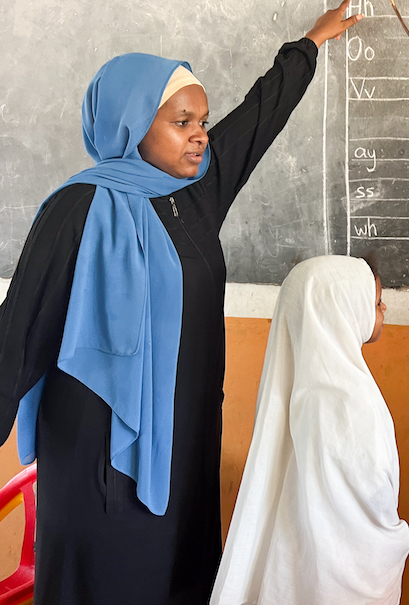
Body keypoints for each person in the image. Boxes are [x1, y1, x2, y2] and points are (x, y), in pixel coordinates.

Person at [0, 3, 361, 604]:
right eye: (181, 121)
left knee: (178, 579)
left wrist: (310, 43)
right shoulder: (77, 209)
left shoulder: (194, 195)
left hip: (184, 445)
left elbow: (257, 120)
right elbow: (18, 335)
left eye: (203, 121)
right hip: (98, 456)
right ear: (132, 124)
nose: (200, 134)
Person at [210, 255, 409, 605]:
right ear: (342, 308)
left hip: (298, 556)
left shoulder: (298, 388)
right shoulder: (347, 395)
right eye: (376, 301)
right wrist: (393, 533)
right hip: (346, 571)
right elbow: (373, 483)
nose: (384, 308)